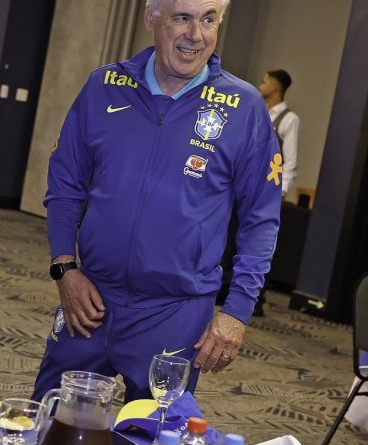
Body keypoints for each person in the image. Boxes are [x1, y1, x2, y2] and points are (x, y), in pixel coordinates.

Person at [33, 0, 281, 415]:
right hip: (89, 299)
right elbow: (65, 184)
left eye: (209, 20)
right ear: (151, 18)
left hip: (176, 313)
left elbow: (261, 220)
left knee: (149, 444)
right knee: (47, 422)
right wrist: (64, 267)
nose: (195, 35)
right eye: (182, 18)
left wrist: (237, 311)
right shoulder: (104, 86)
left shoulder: (245, 107)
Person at [259, 69, 298, 200]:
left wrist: (281, 192)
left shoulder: (290, 119)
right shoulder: (259, 112)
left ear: (274, 87)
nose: (260, 86)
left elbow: (290, 162)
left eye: (264, 82)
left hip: (267, 188)